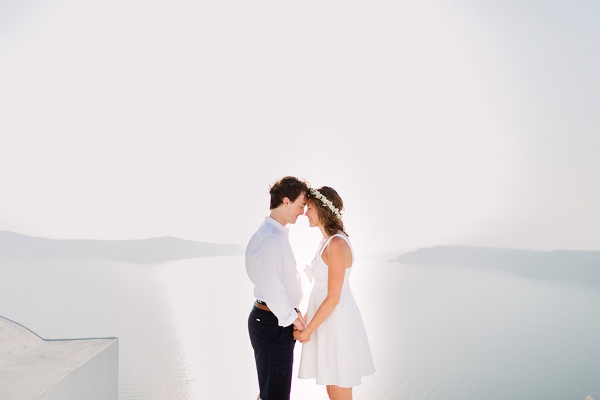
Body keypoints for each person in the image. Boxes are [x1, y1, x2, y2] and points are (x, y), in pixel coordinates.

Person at [295, 186, 375, 400]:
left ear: (323, 209)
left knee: (339, 392)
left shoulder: (337, 243)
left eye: (309, 208)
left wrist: (307, 331)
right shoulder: (325, 242)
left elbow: (333, 297)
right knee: (332, 392)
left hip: (338, 326)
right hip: (327, 324)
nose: (305, 213)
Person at [246, 176, 310, 400]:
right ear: (285, 201)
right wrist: (296, 319)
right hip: (273, 323)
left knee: (271, 391)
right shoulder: (270, 239)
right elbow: (273, 291)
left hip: (273, 321)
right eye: (301, 204)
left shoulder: (273, 234)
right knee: (275, 395)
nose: (303, 211)